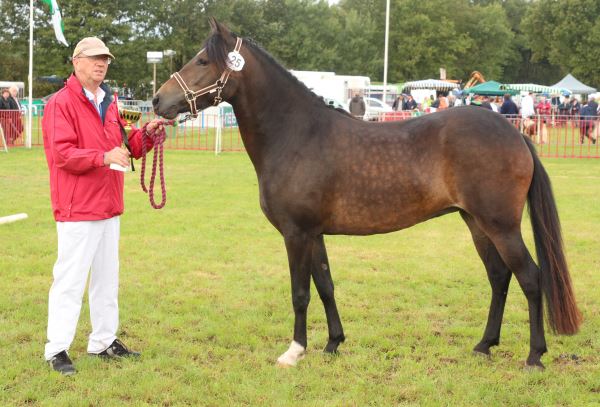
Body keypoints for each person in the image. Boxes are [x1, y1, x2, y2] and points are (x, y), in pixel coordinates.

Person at [42, 36, 165, 375]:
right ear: (76, 61)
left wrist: (148, 136)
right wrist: (102, 156)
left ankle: (103, 341)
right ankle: (57, 349)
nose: (101, 64)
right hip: (77, 206)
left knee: (107, 280)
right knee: (69, 280)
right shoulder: (60, 103)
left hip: (109, 205)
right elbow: (62, 154)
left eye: (105, 59)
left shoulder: (109, 101)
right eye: (95, 58)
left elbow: (125, 146)